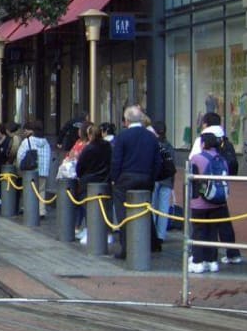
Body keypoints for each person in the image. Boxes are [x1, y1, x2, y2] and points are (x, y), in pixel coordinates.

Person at [109, 105, 161, 259]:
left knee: (123, 213)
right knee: (144, 210)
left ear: (126, 120)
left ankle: (127, 247)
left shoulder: (122, 136)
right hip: (145, 178)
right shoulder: (151, 137)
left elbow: (116, 161)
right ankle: (149, 244)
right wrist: (151, 178)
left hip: (125, 178)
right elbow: (157, 162)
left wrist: (114, 179)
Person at [189, 111, 241, 264]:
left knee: (200, 226)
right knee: (223, 222)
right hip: (221, 188)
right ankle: (231, 253)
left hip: (203, 191)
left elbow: (192, 161)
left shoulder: (202, 139)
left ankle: (199, 257)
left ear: (205, 124)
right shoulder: (224, 139)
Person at [187, 132, 228, 273]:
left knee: (198, 230)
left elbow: (191, 179)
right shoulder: (222, 160)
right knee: (212, 231)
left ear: (203, 144)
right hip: (218, 201)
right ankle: (212, 261)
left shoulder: (197, 158)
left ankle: (198, 261)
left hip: (200, 202)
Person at [75, 122, 112, 244]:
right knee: (104, 209)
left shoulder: (89, 148)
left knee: (88, 208)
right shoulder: (108, 146)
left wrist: (81, 176)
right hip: (104, 180)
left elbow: (80, 166)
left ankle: (91, 232)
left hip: (89, 181)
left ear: (90, 135)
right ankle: (106, 233)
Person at [16, 121, 51, 216]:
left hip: (30, 171)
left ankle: (29, 209)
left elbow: (19, 156)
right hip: (43, 171)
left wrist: (21, 168)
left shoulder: (27, 141)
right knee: (41, 191)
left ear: (32, 131)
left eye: (26, 130)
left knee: (29, 190)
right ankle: (41, 211)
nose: (25, 132)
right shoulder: (46, 142)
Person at [152, 122, 176, 243]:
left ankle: (152, 233)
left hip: (155, 179)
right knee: (163, 208)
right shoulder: (169, 146)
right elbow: (172, 165)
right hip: (167, 180)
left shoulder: (153, 145)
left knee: (152, 207)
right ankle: (161, 235)